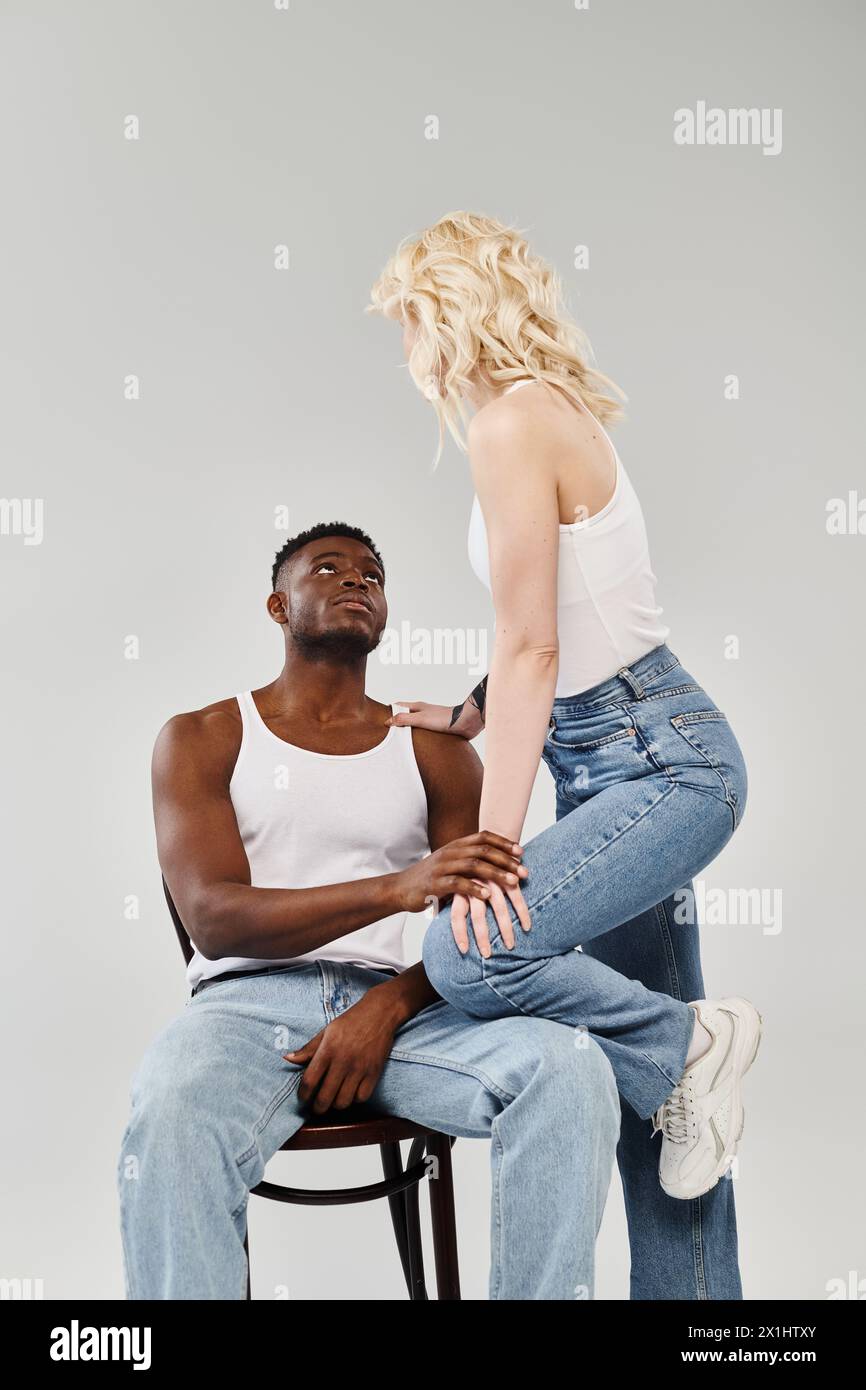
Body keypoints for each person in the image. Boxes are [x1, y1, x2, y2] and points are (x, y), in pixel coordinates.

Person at [366, 211, 763, 1296]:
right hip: (617, 751)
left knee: (465, 952)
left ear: (446, 313)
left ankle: (687, 1039)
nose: (404, 353)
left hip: (659, 758)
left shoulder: (508, 423)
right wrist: (472, 710)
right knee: (671, 1113)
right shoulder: (542, 413)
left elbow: (539, 641)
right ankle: (685, 1075)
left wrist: (495, 842)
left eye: (407, 323)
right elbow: (576, 620)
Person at [117, 523, 621, 1300]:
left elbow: (482, 932)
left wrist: (386, 1008)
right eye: (329, 569)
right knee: (171, 1110)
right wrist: (394, 888)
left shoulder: (435, 748)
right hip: (244, 1009)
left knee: (568, 1067)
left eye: (373, 576)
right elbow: (214, 918)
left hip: (408, 1013)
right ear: (278, 606)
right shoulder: (203, 736)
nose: (358, 582)